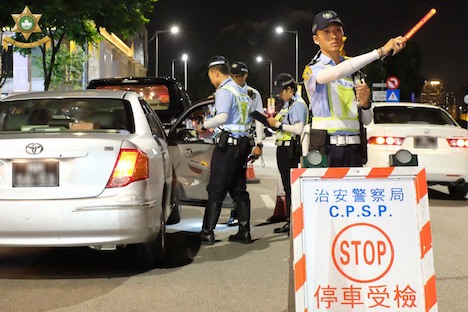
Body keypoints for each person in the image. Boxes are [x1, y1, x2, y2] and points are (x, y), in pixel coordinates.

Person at [302, 10, 407, 167]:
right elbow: (337, 72)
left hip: (354, 148)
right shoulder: (313, 69)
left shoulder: (355, 71)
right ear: (316, 39)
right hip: (325, 148)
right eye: (326, 32)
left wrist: (365, 105)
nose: (333, 36)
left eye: (338, 30)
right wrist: (380, 52)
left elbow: (367, 120)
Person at [189, 56, 261, 245]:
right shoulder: (241, 91)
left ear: (215, 73)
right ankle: (244, 232)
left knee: (216, 190)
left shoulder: (224, 90)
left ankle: (207, 232)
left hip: (228, 146)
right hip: (242, 144)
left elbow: (221, 117)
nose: (211, 80)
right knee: (239, 190)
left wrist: (203, 126)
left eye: (210, 76)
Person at [267, 73, 308, 234]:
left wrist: (277, 124)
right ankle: (290, 221)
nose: (279, 94)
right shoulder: (288, 105)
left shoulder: (297, 104)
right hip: (283, 148)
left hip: (291, 150)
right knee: (287, 187)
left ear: (290, 89)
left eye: (282, 91)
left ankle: (293, 222)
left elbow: (298, 129)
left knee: (291, 188)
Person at [227, 61, 265, 227]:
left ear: (245, 75)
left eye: (238, 76)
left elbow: (259, 120)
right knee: (226, 180)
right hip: (226, 142)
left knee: (238, 181)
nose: (235, 79)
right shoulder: (226, 91)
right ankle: (236, 215)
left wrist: (259, 144)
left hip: (243, 142)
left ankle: (238, 216)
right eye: (233, 76)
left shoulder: (253, 94)